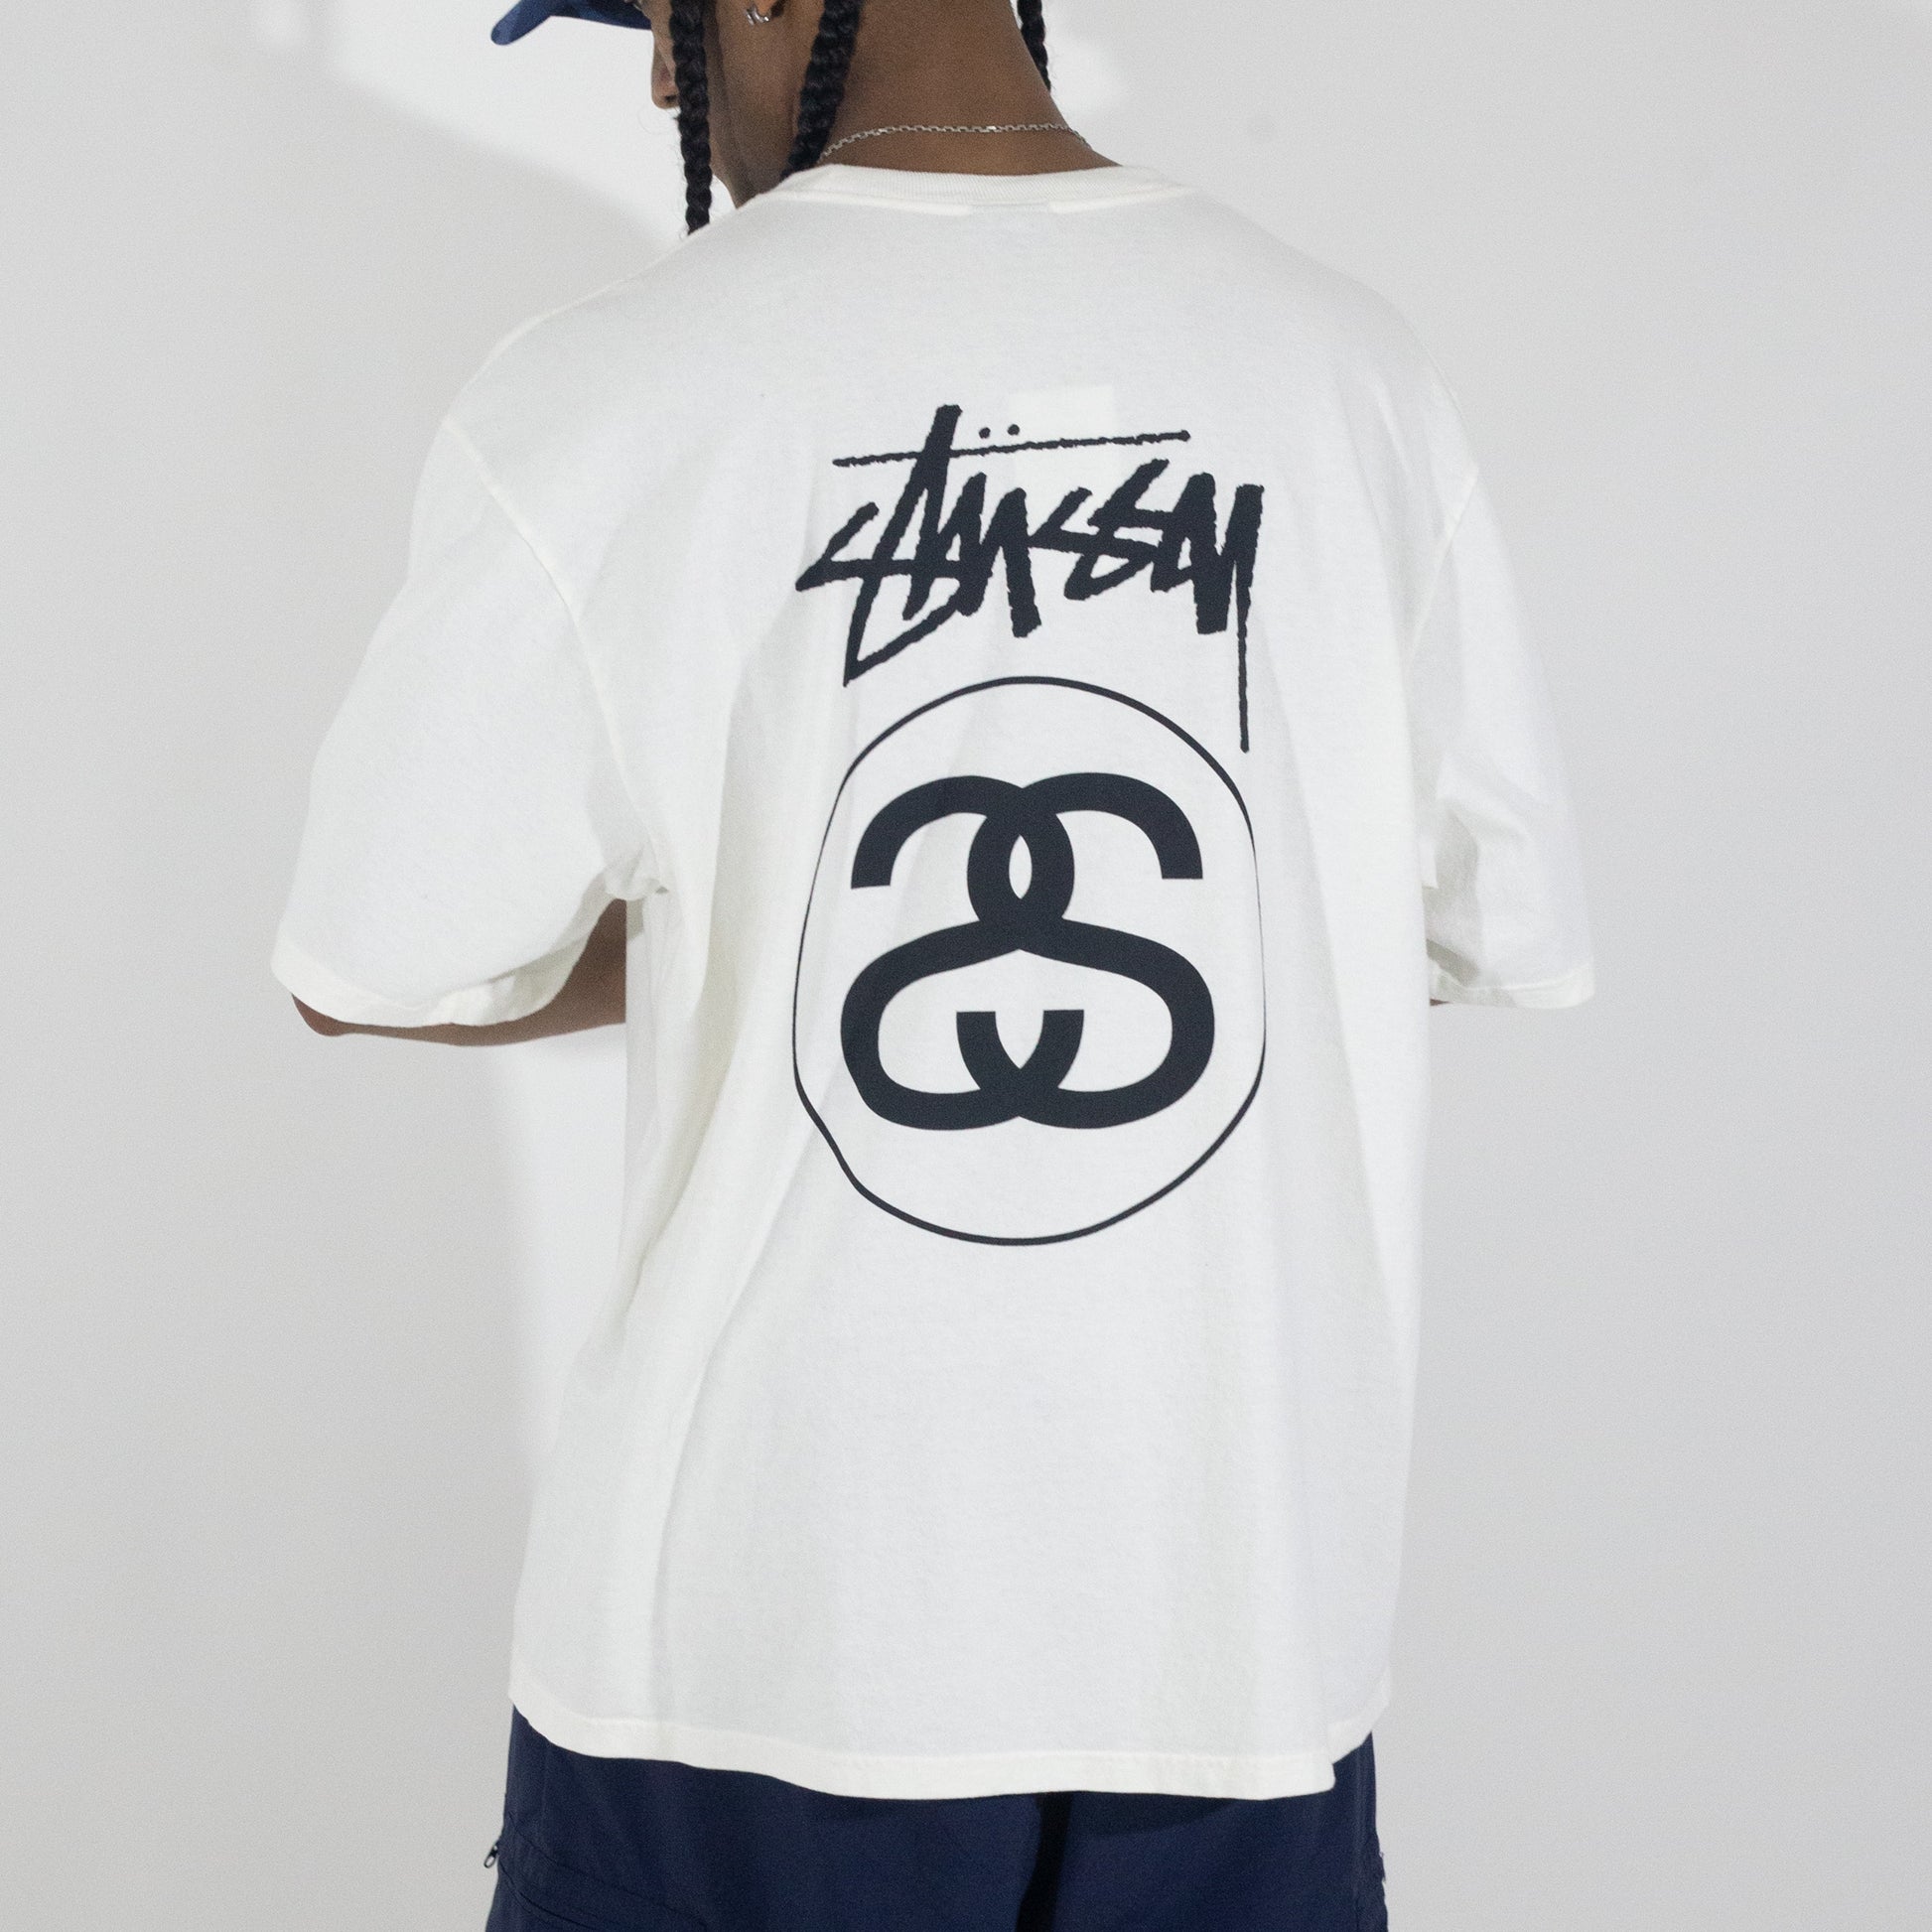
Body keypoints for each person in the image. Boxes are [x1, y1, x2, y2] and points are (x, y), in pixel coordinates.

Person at [274, 1, 1595, 1925]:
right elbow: (1482, 916)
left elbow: (370, 954)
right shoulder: (1349, 371)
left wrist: (759, 889)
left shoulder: (613, 385)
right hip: (1231, 1645)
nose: (660, 78)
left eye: (666, 17)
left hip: (745, 1668)